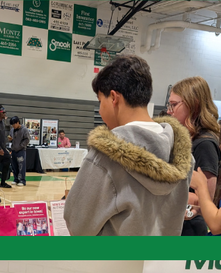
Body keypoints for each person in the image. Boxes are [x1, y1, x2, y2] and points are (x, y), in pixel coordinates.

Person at [64, 56, 193, 236]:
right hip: (162, 261)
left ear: (114, 98)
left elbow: (77, 226)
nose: (100, 110)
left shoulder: (105, 154)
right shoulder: (182, 155)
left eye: (100, 102)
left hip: (114, 262)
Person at [166, 76, 221, 236]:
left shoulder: (204, 143)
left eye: (174, 105)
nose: (170, 111)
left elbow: (205, 200)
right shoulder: (186, 139)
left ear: (193, 104)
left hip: (190, 229)